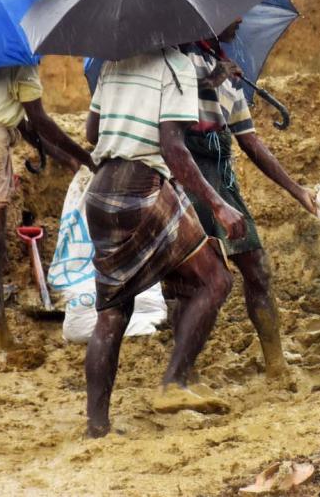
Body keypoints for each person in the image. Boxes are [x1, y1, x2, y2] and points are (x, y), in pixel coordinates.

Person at [84, 47, 246, 437]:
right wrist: (218, 204)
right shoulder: (175, 66)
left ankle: (97, 427)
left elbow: (92, 133)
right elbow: (173, 148)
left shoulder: (113, 61)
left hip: (102, 192)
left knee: (112, 313)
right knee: (214, 280)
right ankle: (175, 381)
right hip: (143, 188)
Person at [183, 20, 316, 380]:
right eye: (234, 14)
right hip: (185, 172)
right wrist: (210, 80)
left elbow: (250, 141)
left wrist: (298, 190)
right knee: (190, 278)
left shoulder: (224, 64)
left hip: (221, 175)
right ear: (210, 17)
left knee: (256, 266)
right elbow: (168, 117)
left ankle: (276, 364)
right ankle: (185, 375)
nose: (241, 20)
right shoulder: (180, 58)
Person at [0, 65, 94, 356]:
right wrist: (83, 155)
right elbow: (39, 120)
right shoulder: (22, 66)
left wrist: (67, 159)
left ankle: (0, 333)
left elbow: (26, 127)